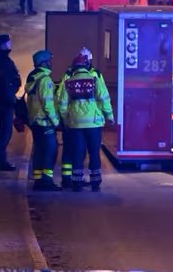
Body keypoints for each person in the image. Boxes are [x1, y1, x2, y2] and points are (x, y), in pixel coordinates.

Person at [55, 47, 114, 192]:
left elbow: (62, 104)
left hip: (75, 124)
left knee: (77, 153)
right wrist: (109, 116)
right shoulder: (95, 79)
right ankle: (95, 182)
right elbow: (104, 99)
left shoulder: (69, 82)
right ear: (87, 65)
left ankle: (77, 183)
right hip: (93, 124)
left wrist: (66, 119)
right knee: (94, 153)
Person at [25, 50, 61, 191]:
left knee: (39, 151)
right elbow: (48, 104)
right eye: (49, 61)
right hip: (45, 122)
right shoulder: (45, 80)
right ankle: (46, 182)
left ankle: (38, 180)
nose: (51, 63)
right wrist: (56, 121)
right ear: (43, 63)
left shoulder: (32, 79)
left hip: (35, 123)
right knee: (50, 151)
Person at [0, 34, 21, 172]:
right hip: (5, 100)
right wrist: (11, 98)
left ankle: (2, 160)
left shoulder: (3, 60)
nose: (10, 44)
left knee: (5, 130)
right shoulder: (1, 61)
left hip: (6, 99)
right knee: (5, 131)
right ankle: (1, 161)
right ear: (2, 45)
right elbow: (5, 83)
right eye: (8, 42)